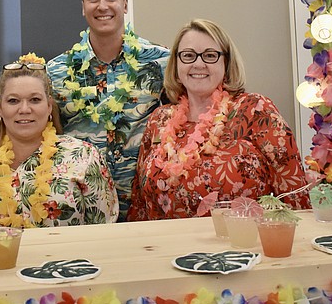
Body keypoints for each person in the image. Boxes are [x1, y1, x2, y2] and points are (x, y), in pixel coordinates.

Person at [126, 19, 310, 222]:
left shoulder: (255, 111)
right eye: (188, 56)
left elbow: (295, 199)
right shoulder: (158, 120)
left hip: (237, 248)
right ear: (176, 65)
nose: (198, 64)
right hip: (165, 249)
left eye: (210, 55)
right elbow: (140, 206)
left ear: (226, 63)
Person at [0, 54, 118, 230]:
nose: (24, 109)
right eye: (13, 101)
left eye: (35, 100)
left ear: (49, 106)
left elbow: (104, 235)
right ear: (0, 108)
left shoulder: (84, 158)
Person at [47, 0, 169, 220]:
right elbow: (33, 128)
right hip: (82, 206)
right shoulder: (57, 71)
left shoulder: (160, 62)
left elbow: (195, 114)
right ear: (83, 7)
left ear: (124, 4)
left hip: (145, 204)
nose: (102, 6)